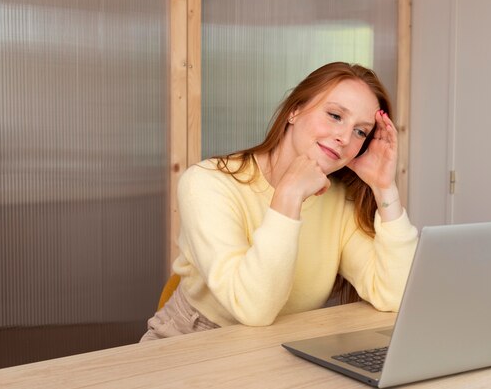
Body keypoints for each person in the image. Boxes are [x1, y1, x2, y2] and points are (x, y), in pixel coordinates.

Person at [140, 62, 419, 341]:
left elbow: (395, 295)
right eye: (335, 115)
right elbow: (253, 309)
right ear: (294, 111)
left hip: (280, 343)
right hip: (190, 338)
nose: (344, 138)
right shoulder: (206, 183)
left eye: (361, 132)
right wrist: (289, 196)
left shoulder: (339, 201)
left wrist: (385, 188)